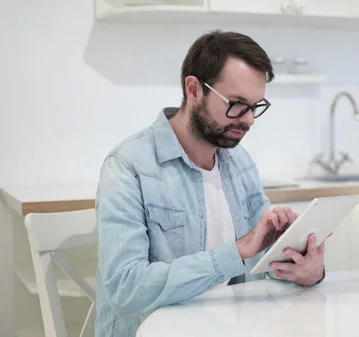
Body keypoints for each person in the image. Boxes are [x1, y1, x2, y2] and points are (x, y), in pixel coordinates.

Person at [94, 30, 328, 337]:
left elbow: (260, 265)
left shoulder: (239, 162)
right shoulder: (128, 166)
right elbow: (126, 290)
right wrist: (236, 252)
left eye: (256, 106)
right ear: (194, 89)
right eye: (236, 104)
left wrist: (304, 268)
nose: (248, 120)